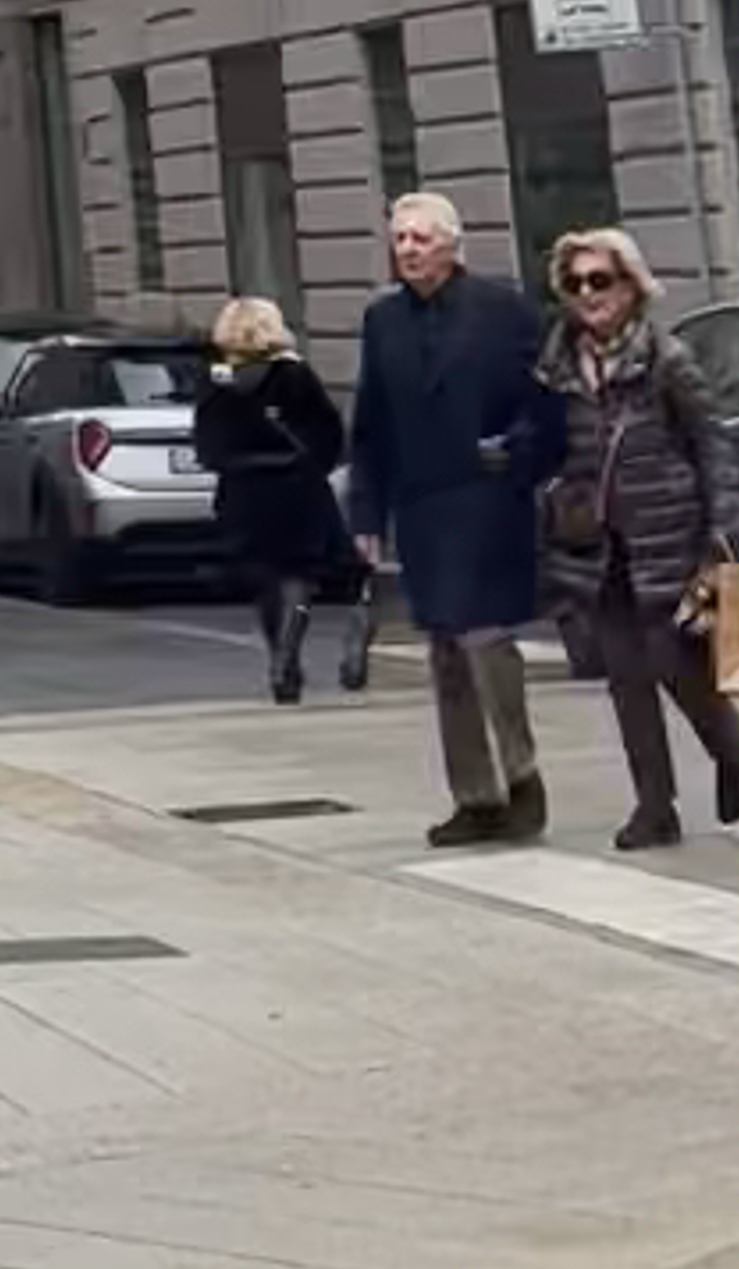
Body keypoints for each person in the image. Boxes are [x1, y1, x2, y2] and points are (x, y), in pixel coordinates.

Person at [343, 188, 568, 845]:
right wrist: (366, 510)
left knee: (485, 642)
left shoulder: (504, 311)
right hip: (421, 507)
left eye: (421, 237)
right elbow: (371, 423)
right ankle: (476, 796)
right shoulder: (382, 320)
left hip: (487, 500)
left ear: (451, 243)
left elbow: (546, 407)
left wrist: (518, 457)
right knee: (445, 651)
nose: (408, 249)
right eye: (400, 238)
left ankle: (523, 776)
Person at [537, 225, 739, 855]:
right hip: (597, 550)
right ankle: (654, 809)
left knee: (678, 667)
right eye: (575, 283)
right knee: (626, 679)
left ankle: (733, 744)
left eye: (600, 280)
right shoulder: (555, 365)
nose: (587, 294)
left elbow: (711, 445)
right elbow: (552, 448)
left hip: (671, 539)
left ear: (632, 287)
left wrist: (725, 532)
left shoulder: (668, 361)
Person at [192, 298, 370, 702]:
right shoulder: (293, 375)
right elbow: (328, 430)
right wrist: (313, 464)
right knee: (299, 576)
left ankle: (277, 654)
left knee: (264, 579)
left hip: (242, 491)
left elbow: (206, 444)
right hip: (295, 486)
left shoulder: (215, 381)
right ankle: (287, 654)